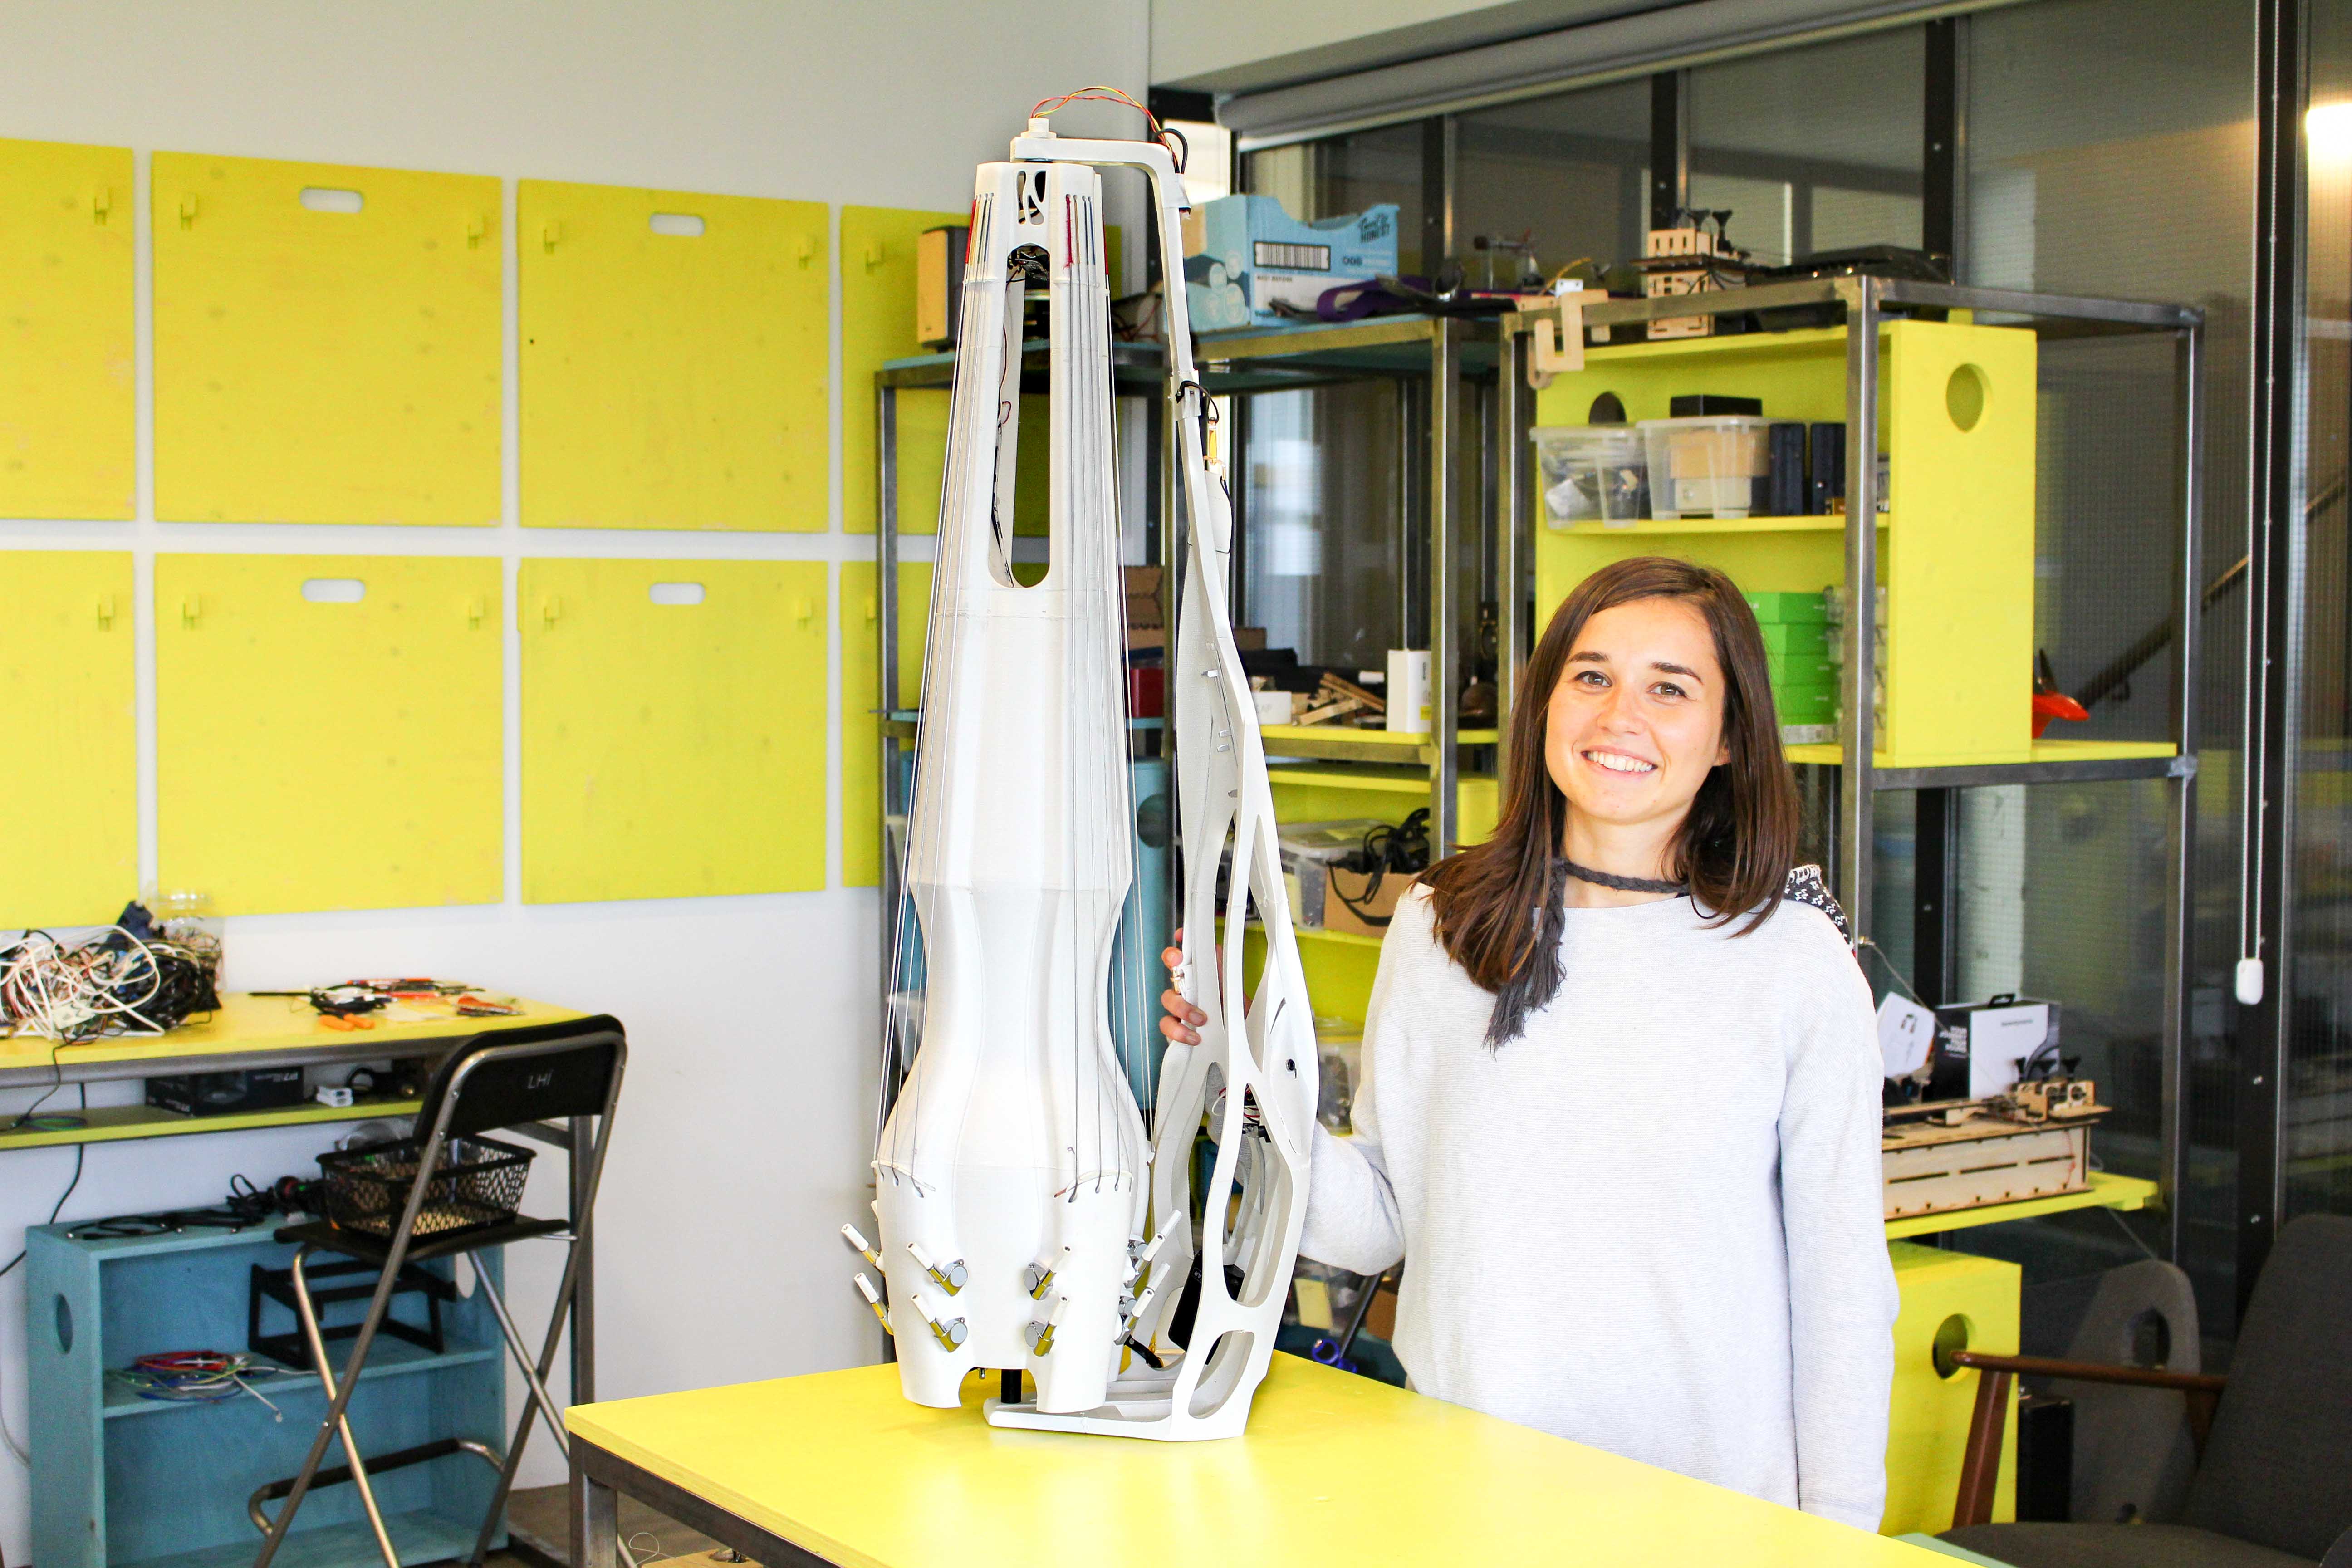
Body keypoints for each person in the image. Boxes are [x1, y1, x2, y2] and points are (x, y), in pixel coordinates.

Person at [1161, 555, 1897, 1530]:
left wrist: (1838, 1538)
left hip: (1705, 1519)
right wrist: (1236, 1075)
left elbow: (1843, 1289)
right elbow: (1380, 1219)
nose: (1618, 716)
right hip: (1472, 1500)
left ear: (1728, 738)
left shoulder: (1792, 959)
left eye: (1669, 689)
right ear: (1546, 704)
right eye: (1590, 677)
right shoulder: (1443, 924)